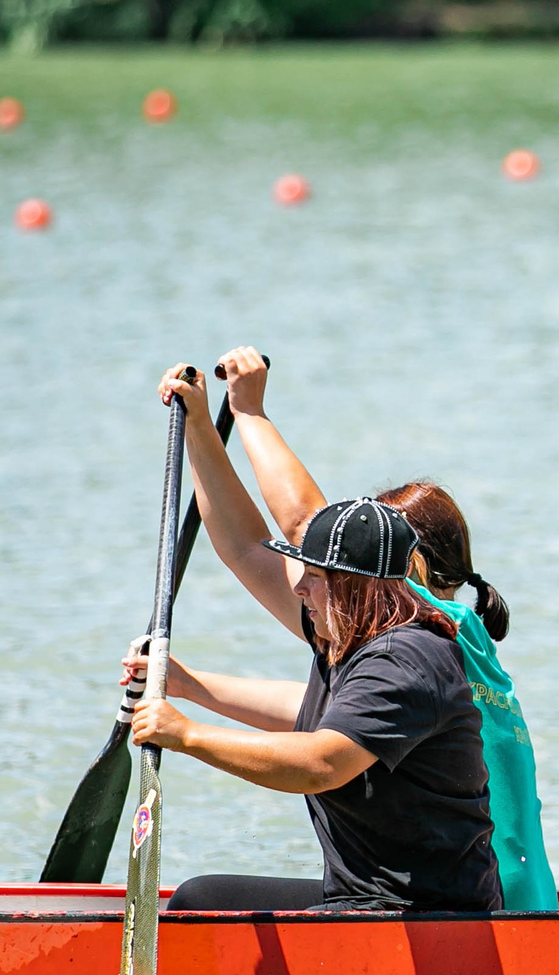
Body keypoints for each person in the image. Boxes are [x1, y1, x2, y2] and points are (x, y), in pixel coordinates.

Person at [127, 364, 502, 913]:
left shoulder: (407, 658)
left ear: (352, 586)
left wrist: (188, 736)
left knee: (199, 903)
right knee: (202, 898)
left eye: (314, 575)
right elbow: (244, 547)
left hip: (428, 916)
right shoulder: (350, 634)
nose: (298, 585)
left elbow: (321, 763)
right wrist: (204, 427)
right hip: (367, 898)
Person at [205, 347, 557, 910]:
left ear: (405, 567)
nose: (331, 573)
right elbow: (322, 709)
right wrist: (188, 685)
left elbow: (295, 526)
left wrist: (249, 413)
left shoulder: (413, 633)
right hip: (527, 900)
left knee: (204, 896)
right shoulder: (461, 638)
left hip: (482, 917)